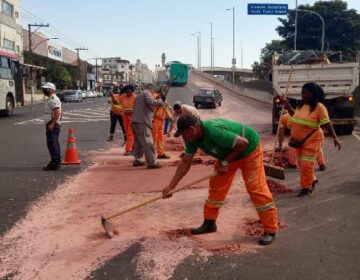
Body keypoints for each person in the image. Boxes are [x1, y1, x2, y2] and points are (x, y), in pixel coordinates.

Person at [162, 116, 279, 245]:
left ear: (191, 129)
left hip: (249, 151)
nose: (183, 138)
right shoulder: (192, 140)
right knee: (216, 186)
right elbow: (186, 162)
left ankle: (270, 229)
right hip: (228, 154)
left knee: (255, 187)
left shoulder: (213, 130)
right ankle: (209, 223)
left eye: (183, 134)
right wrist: (171, 186)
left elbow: (243, 143)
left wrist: (225, 162)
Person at [284, 82, 341, 197]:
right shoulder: (302, 106)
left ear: (312, 94)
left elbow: (327, 124)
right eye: (302, 93)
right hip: (299, 141)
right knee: (301, 163)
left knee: (306, 164)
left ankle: (306, 188)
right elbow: (295, 117)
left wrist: (335, 138)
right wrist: (288, 106)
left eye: (305, 93)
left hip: (312, 140)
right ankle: (312, 179)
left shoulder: (319, 107)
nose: (303, 95)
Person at [131, 83, 164, 169]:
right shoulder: (147, 93)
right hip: (142, 122)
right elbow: (151, 102)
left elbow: (147, 105)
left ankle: (138, 160)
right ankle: (151, 162)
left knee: (138, 143)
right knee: (147, 142)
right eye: (153, 91)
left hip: (135, 121)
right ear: (151, 88)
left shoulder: (140, 95)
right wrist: (160, 101)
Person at [42, 82, 62, 171]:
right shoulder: (52, 98)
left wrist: (53, 123)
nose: (44, 90)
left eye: (46, 89)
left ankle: (54, 163)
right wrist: (58, 121)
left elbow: (57, 112)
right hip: (53, 123)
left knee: (52, 143)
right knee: (54, 143)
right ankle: (56, 161)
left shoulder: (53, 99)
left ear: (51, 90)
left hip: (52, 124)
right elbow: (61, 111)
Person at [152, 86, 174, 159]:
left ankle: (160, 153)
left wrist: (170, 118)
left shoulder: (164, 101)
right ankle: (150, 154)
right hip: (154, 120)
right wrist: (159, 97)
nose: (164, 92)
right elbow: (153, 99)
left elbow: (166, 110)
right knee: (153, 137)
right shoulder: (155, 96)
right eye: (163, 91)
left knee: (160, 138)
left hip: (161, 121)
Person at [119, 85, 137, 156]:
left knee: (130, 133)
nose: (128, 93)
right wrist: (122, 111)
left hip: (133, 117)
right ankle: (133, 147)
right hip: (124, 117)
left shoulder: (135, 97)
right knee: (127, 133)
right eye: (127, 92)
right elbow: (117, 105)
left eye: (129, 92)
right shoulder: (122, 97)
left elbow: (138, 107)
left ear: (132, 91)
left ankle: (128, 149)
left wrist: (132, 111)